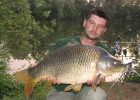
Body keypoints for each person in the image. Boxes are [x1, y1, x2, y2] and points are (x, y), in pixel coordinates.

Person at [46, 8, 114, 100]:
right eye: (92, 23)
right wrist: (50, 77)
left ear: (104, 30)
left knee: (97, 95)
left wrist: (98, 80)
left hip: (86, 92)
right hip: (61, 91)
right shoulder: (62, 43)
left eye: (100, 26)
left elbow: (101, 76)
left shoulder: (105, 52)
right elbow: (49, 66)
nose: (94, 29)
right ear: (85, 22)